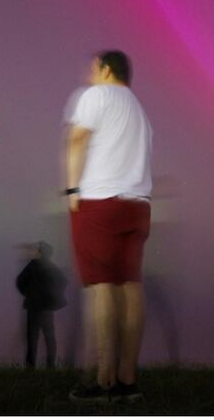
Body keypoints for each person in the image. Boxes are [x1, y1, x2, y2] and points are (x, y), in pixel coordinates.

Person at [64, 50, 153, 404]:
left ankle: (102, 380)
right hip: (138, 204)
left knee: (101, 286)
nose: (89, 71)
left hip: (100, 201)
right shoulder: (139, 109)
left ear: (106, 69)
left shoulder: (96, 95)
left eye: (93, 66)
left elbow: (77, 140)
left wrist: (72, 189)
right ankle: (127, 379)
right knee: (130, 286)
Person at [15, 241, 68, 368]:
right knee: (49, 337)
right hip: (47, 307)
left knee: (32, 338)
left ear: (40, 252)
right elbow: (63, 282)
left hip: (33, 306)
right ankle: (50, 365)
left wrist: (28, 293)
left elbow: (20, 281)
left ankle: (30, 366)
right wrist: (54, 295)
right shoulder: (52, 268)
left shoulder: (32, 266)